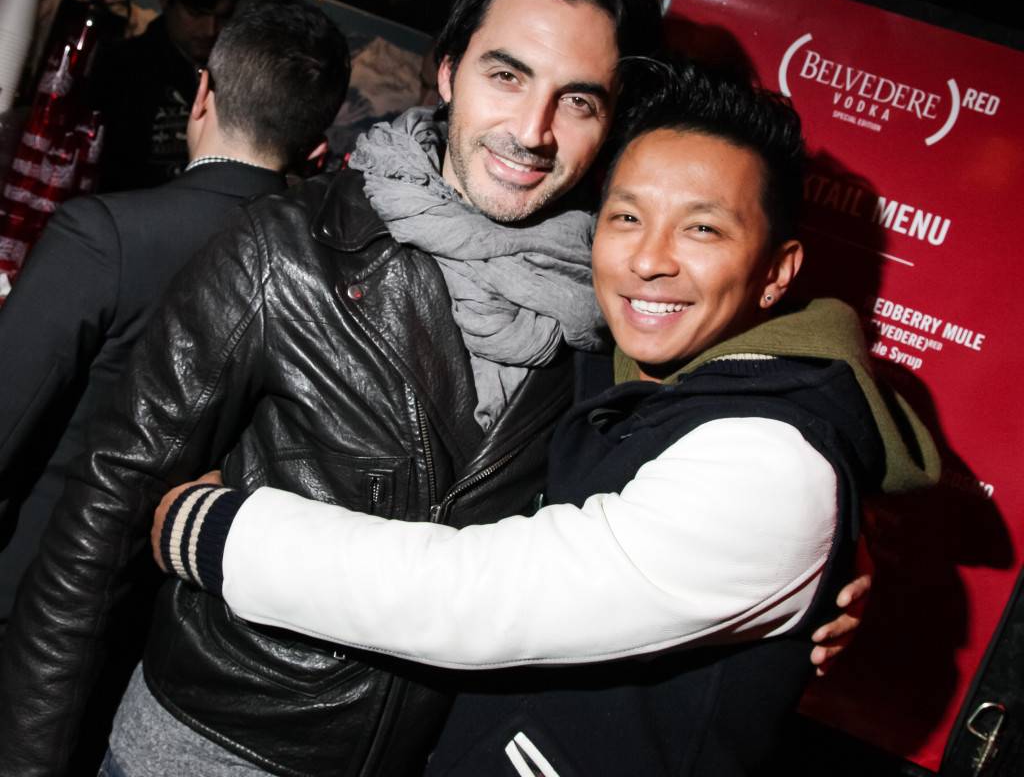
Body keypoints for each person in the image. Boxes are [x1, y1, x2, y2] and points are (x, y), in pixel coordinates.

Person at [0, 0, 876, 777]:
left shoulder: (612, 314)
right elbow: (97, 532)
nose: (532, 131)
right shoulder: (287, 251)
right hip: (207, 749)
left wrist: (815, 573)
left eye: (577, 101)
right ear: (449, 71)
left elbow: (665, 493)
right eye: (507, 75)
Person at [156, 64, 940, 776]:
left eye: (702, 229)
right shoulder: (615, 365)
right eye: (627, 218)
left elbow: (481, 596)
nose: (649, 259)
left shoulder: (773, 466)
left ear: (776, 272)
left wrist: (216, 530)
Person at [0, 0, 349, 764]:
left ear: (201, 96)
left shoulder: (107, 235)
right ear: (318, 151)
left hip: (26, 612)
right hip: (164, 649)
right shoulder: (322, 292)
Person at [89, 0, 251, 191]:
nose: (210, 29)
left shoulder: (237, 78)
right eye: (196, 13)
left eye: (224, 16)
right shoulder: (123, 68)